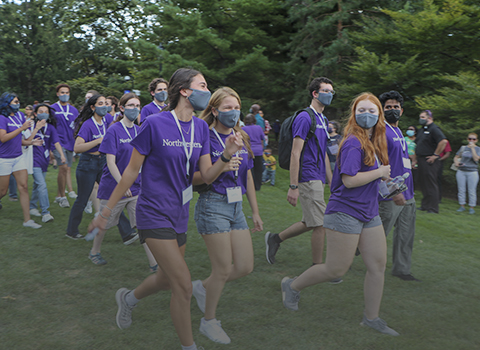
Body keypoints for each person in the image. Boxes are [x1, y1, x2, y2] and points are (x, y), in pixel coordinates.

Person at [88, 68, 244, 350]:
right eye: (203, 85)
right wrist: (106, 210)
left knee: (165, 278)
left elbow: (206, 176)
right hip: (152, 211)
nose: (207, 91)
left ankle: (128, 298)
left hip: (179, 213)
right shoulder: (155, 124)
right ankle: (189, 346)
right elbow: (131, 172)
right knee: (183, 286)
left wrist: (226, 155)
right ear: (184, 90)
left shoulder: (200, 129)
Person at [280, 92, 399, 336]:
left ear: (379, 115)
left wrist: (387, 182)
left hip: (369, 212)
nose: (367, 115)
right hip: (345, 212)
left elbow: (370, 178)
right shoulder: (353, 141)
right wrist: (379, 173)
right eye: (362, 110)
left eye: (372, 111)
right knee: (336, 269)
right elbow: (349, 180)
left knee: (377, 266)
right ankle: (292, 285)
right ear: (354, 114)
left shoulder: (374, 141)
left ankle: (371, 318)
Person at [191, 87, 263, 344]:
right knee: (222, 269)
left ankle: (202, 287)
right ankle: (208, 321)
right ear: (214, 111)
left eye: (236, 108)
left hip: (236, 207)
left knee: (244, 266)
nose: (233, 112)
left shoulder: (240, 135)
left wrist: (254, 210)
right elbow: (195, 178)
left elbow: (248, 176)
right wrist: (223, 163)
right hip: (213, 205)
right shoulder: (204, 137)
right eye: (227, 108)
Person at [265, 77, 333, 266]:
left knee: (311, 221)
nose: (330, 94)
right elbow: (296, 153)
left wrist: (332, 181)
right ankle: (318, 267)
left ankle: (275, 239)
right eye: (325, 91)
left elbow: (324, 153)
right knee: (320, 224)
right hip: (307, 176)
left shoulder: (324, 119)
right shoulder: (305, 117)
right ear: (315, 93)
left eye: (331, 92)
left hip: (318, 176)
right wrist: (293, 186)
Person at [88, 92, 157, 269]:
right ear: (121, 108)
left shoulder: (140, 130)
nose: (135, 109)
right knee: (104, 224)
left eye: (137, 106)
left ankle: (154, 264)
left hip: (136, 188)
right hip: (113, 187)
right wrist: (122, 183)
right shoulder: (114, 130)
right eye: (131, 105)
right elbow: (110, 162)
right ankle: (94, 251)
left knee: (143, 226)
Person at [378, 91, 419, 282]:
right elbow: (379, 166)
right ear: (382, 110)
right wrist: (394, 191)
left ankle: (402, 270)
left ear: (401, 111)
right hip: (391, 194)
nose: (392, 110)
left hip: (408, 193)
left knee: (405, 235)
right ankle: (348, 253)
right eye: (388, 107)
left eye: (396, 107)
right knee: (377, 234)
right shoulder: (381, 132)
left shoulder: (399, 132)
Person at [65, 94, 109, 240]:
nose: (104, 106)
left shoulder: (107, 121)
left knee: (109, 195)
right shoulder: (88, 124)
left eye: (106, 103)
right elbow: (77, 148)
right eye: (100, 103)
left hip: (101, 161)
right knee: (82, 199)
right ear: (93, 107)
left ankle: (127, 232)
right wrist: (98, 141)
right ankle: (71, 231)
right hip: (87, 163)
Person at [0, 92, 42, 228]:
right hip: (4, 158)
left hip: (18, 157)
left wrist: (31, 142)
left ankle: (27, 221)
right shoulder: (2, 118)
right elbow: (3, 138)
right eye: (14, 102)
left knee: (23, 187)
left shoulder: (19, 116)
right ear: (7, 103)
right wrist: (21, 128)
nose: (18, 104)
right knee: (2, 191)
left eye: (18, 101)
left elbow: (20, 140)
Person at [29, 104, 66, 223]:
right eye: (41, 111)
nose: (44, 113)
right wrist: (36, 128)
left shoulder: (50, 128)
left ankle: (32, 206)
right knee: (42, 185)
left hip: (44, 160)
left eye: (46, 111)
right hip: (33, 160)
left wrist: (61, 154)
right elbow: (27, 140)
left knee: (37, 185)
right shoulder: (30, 125)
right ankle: (46, 212)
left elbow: (56, 142)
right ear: (36, 114)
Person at [50, 84, 79, 207]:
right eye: (62, 92)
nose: (65, 95)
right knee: (62, 168)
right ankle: (62, 197)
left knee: (65, 170)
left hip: (70, 143)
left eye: (67, 92)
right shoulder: (52, 108)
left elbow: (77, 127)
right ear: (57, 94)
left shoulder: (73, 110)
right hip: (57, 143)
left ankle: (58, 195)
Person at [415, 110, 447, 213]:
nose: (421, 119)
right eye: (420, 117)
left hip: (430, 160)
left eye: (423, 117)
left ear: (429, 118)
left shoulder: (434, 129)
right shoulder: (422, 130)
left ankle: (433, 207)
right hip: (421, 159)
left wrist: (435, 155)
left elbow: (443, 141)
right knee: (424, 183)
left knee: (431, 183)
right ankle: (425, 205)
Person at [453, 133, 480, 214]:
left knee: (472, 190)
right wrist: (456, 162)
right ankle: (462, 206)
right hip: (461, 171)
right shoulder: (463, 148)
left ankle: (471, 207)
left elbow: (476, 159)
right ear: (467, 139)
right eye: (470, 139)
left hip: (472, 172)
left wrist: (472, 149)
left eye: (473, 139)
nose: (471, 140)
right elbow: (456, 156)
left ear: (476, 140)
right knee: (461, 189)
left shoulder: (478, 149)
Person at [242, 114, 265, 191]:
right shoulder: (259, 128)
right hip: (258, 150)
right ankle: (257, 186)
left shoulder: (244, 129)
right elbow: (262, 139)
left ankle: (250, 186)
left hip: (249, 151)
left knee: (250, 170)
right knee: (258, 170)